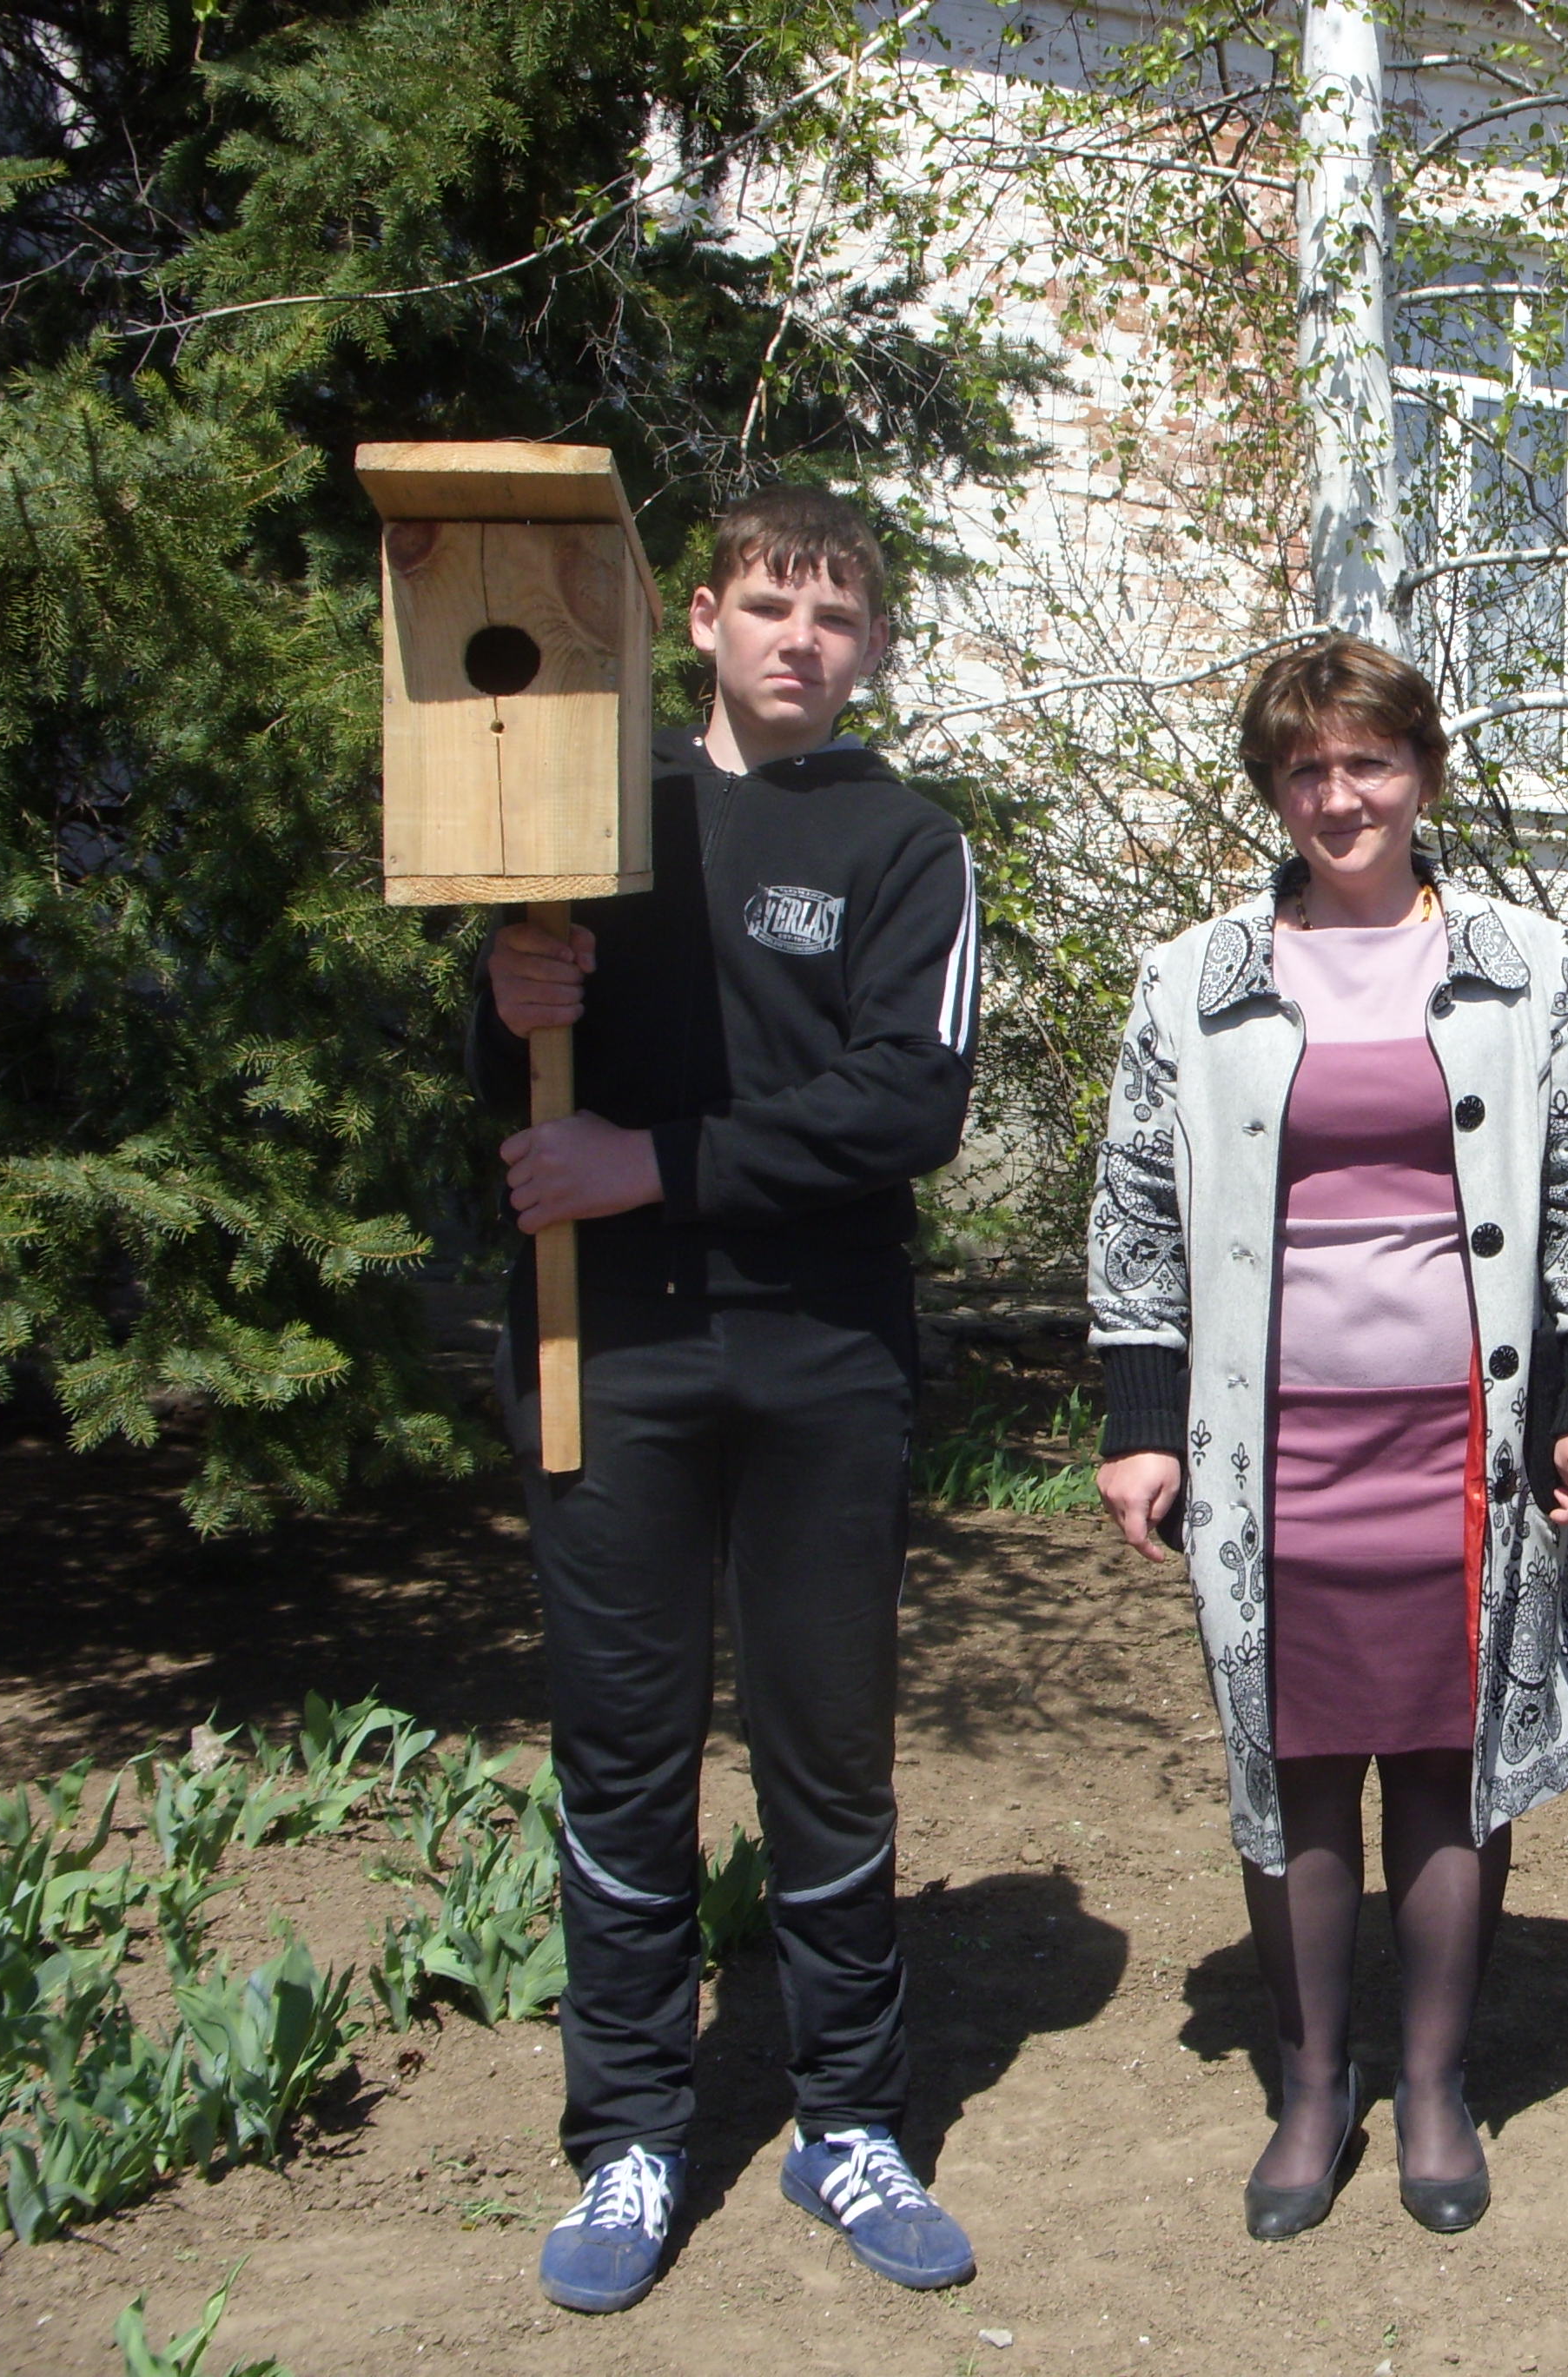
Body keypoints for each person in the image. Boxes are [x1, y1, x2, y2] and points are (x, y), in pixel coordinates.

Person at [474, 487, 982, 2315]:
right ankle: (628, 2134)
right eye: (768, 604)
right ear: (699, 617)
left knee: (826, 1751)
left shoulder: (904, 839)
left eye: (835, 618)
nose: (798, 641)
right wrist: (502, 994)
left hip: (826, 1359)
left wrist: (655, 1165)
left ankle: (851, 2117)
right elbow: (519, 1087)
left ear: (875, 648)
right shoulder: (598, 816)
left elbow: (905, 1105)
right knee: (620, 1755)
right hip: (608, 1353)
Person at [1088, 634, 1568, 2240]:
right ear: (1274, 789)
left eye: (1369, 762)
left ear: (1424, 770)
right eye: (1306, 770)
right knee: (1297, 1761)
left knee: (1453, 1762)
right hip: (1271, 1448)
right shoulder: (1193, 980)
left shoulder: (1525, 960)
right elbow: (1134, 1210)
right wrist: (1141, 1426)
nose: (1341, 797)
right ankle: (1312, 2080)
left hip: (1463, 1439)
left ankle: (1435, 2082)